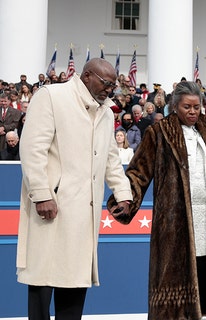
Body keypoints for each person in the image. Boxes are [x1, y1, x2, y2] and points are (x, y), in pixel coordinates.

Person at [107, 81, 206, 319]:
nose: (192, 112)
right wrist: (124, 199)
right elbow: (138, 172)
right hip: (174, 224)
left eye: (197, 107)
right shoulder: (158, 133)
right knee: (174, 293)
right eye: (187, 107)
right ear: (174, 106)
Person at [17, 58, 133, 320]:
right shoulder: (51, 96)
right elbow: (32, 150)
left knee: (75, 282)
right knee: (43, 280)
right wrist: (42, 194)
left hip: (84, 213)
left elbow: (111, 159)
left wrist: (123, 193)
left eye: (113, 85)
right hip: (52, 207)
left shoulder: (105, 110)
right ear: (87, 76)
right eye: (106, 83)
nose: (110, 90)